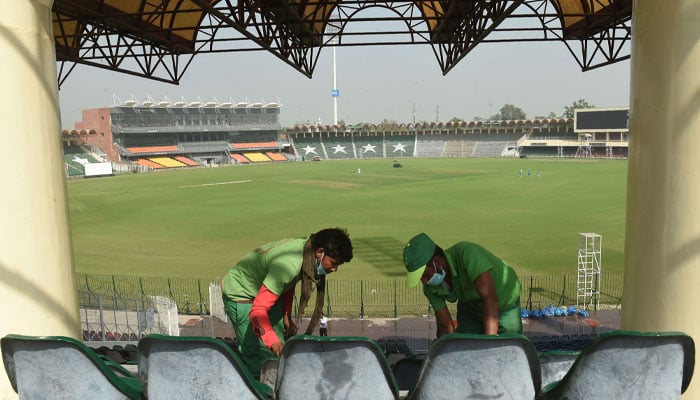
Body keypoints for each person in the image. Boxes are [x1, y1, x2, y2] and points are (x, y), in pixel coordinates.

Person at [222, 228, 353, 378]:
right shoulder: (289, 265)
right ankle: (260, 389)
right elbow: (258, 311)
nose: (335, 269)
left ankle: (276, 382)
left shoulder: (307, 249)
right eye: (334, 263)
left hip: (268, 290)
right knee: (254, 353)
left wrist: (286, 314)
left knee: (275, 350)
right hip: (241, 294)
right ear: (320, 252)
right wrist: (274, 343)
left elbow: (287, 284)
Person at [402, 233, 522, 336]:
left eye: (425, 275)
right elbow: (445, 327)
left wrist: (488, 345)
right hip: (470, 305)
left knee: (507, 350)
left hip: (504, 303)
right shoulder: (430, 287)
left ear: (437, 262)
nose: (424, 281)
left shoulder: (467, 254)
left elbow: (490, 298)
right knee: (463, 346)